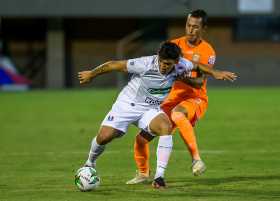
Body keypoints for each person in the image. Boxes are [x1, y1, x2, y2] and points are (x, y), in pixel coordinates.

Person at [77, 41, 236, 188]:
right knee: (105, 136)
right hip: (127, 105)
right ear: (158, 57)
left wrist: (216, 72)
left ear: (176, 61)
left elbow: (198, 66)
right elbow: (113, 65)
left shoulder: (180, 64)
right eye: (163, 62)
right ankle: (90, 163)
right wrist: (91, 74)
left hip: (150, 109)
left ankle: (159, 177)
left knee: (165, 127)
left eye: (169, 64)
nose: (164, 66)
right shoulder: (144, 64)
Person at [126, 9, 231, 188]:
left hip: (195, 99)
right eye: (188, 25)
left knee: (177, 115)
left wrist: (180, 76)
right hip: (170, 99)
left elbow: (198, 83)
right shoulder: (174, 46)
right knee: (141, 140)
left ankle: (196, 160)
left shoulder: (207, 51)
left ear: (203, 28)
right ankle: (143, 173)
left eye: (196, 27)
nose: (191, 30)